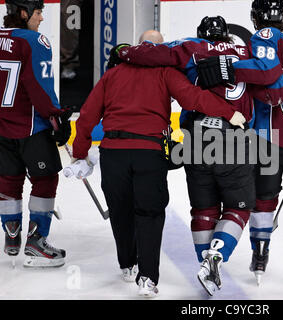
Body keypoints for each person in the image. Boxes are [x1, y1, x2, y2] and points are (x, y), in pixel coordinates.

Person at [64, 29, 246, 298]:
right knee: (149, 214)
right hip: (149, 153)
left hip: (114, 152)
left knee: (120, 211)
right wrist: (230, 113)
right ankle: (147, 278)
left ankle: (127, 264)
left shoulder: (112, 75)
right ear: (160, 50)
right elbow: (194, 98)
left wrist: (80, 153)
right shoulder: (166, 72)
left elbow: (87, 116)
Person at [197, 0, 283, 286]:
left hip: (270, 140)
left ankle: (260, 254)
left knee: (264, 202)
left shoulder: (266, 36)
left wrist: (229, 67)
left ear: (256, 18)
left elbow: (268, 86)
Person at [0, 0, 71, 268]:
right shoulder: (34, 40)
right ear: (23, 13)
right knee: (45, 178)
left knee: (8, 178)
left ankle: (12, 233)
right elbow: (39, 85)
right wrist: (56, 115)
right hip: (31, 127)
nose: (41, 18)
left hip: (1, 128)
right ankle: (36, 239)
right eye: (38, 12)